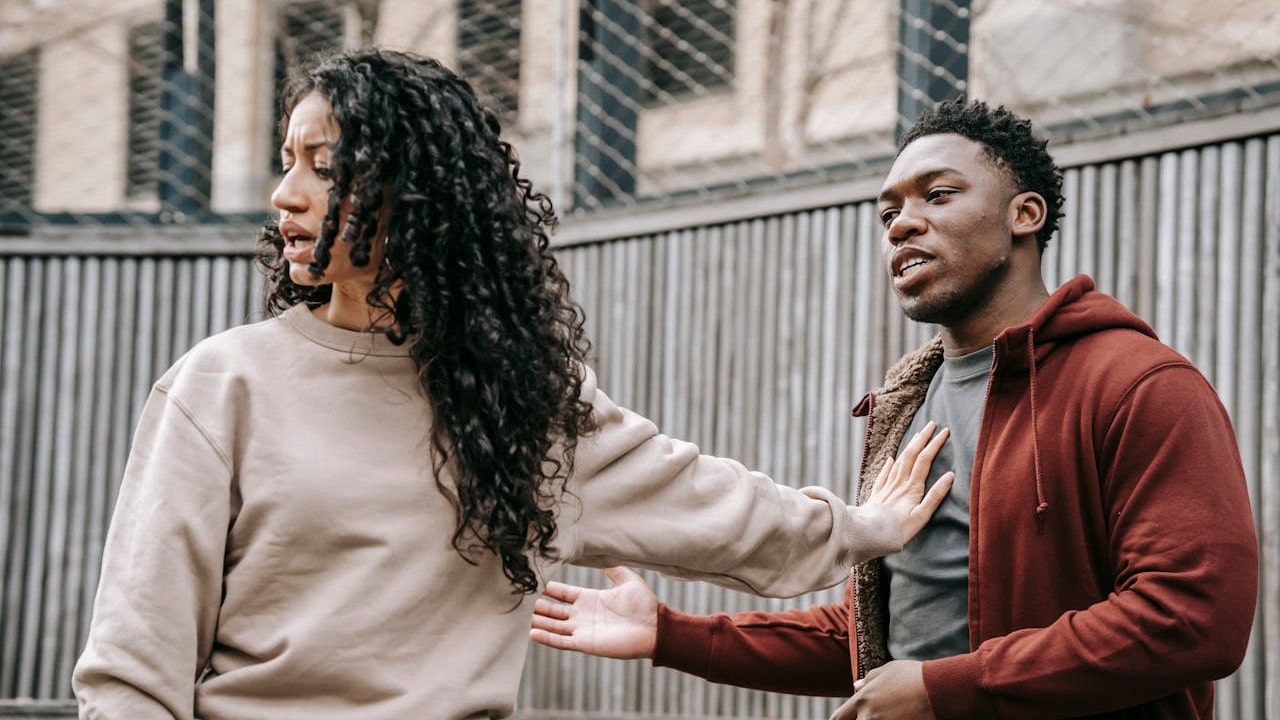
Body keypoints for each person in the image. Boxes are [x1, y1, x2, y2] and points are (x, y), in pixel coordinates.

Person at [70, 48, 955, 720]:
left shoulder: (521, 408)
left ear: (419, 194)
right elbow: (132, 673)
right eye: (287, 159)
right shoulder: (222, 385)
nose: (284, 193)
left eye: (324, 165)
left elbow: (716, 506)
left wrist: (866, 526)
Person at [530, 99, 1260, 720]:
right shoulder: (908, 405)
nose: (902, 225)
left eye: (937, 195)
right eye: (889, 211)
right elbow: (875, 636)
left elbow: (1194, 620)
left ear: (1024, 215)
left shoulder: (1139, 384)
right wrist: (670, 634)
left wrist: (946, 688)